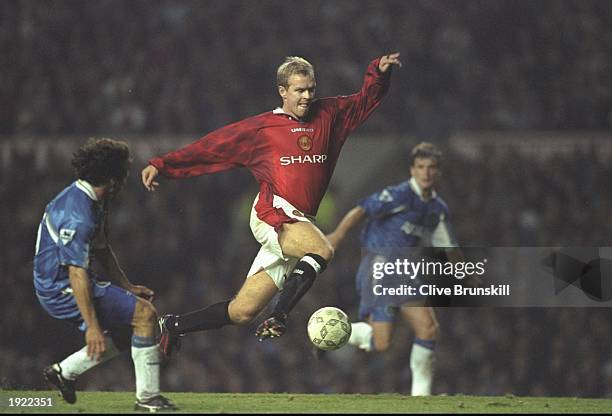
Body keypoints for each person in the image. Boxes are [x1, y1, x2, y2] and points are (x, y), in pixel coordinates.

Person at [141, 53, 402, 359]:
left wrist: (379, 73)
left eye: (310, 89)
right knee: (322, 250)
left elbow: (365, 100)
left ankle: (172, 325)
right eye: (299, 90)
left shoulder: (330, 115)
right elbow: (212, 147)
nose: (306, 96)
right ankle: (280, 315)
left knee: (242, 311)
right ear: (283, 91)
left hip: (299, 221)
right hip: (273, 212)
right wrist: (163, 164)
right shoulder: (262, 130)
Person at [34, 138, 176, 411]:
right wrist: (92, 327)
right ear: (113, 178)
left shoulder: (92, 200)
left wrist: (126, 285)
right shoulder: (78, 213)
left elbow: (101, 249)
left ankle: (64, 372)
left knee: (129, 329)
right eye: (123, 172)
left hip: (68, 281)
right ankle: (147, 400)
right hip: (60, 288)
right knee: (145, 315)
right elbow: (76, 273)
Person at [326, 142, 463, 396]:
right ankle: (338, 332)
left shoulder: (437, 209)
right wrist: (337, 235)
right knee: (383, 341)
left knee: (424, 330)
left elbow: (448, 245)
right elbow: (361, 209)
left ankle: (421, 398)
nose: (426, 173)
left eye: (431, 168)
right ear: (412, 170)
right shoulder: (399, 195)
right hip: (379, 266)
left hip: (405, 271)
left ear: (438, 173)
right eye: (420, 167)